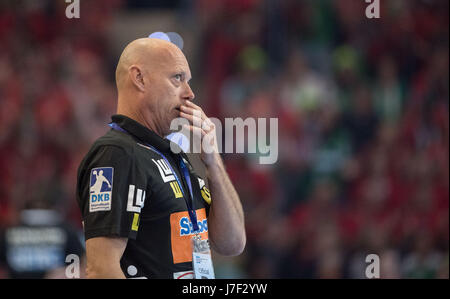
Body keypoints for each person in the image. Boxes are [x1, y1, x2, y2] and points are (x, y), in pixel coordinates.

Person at [76, 37, 246, 279]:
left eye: (189, 81)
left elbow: (232, 243)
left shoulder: (171, 156)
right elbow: (101, 269)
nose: (190, 93)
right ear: (140, 79)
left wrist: (214, 163)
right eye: (178, 78)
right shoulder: (117, 154)